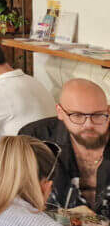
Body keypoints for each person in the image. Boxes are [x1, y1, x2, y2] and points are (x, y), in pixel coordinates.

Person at [22, 78, 110, 214]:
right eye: (77, 115)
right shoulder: (35, 138)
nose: (89, 125)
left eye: (98, 115)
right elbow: (13, 196)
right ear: (60, 112)